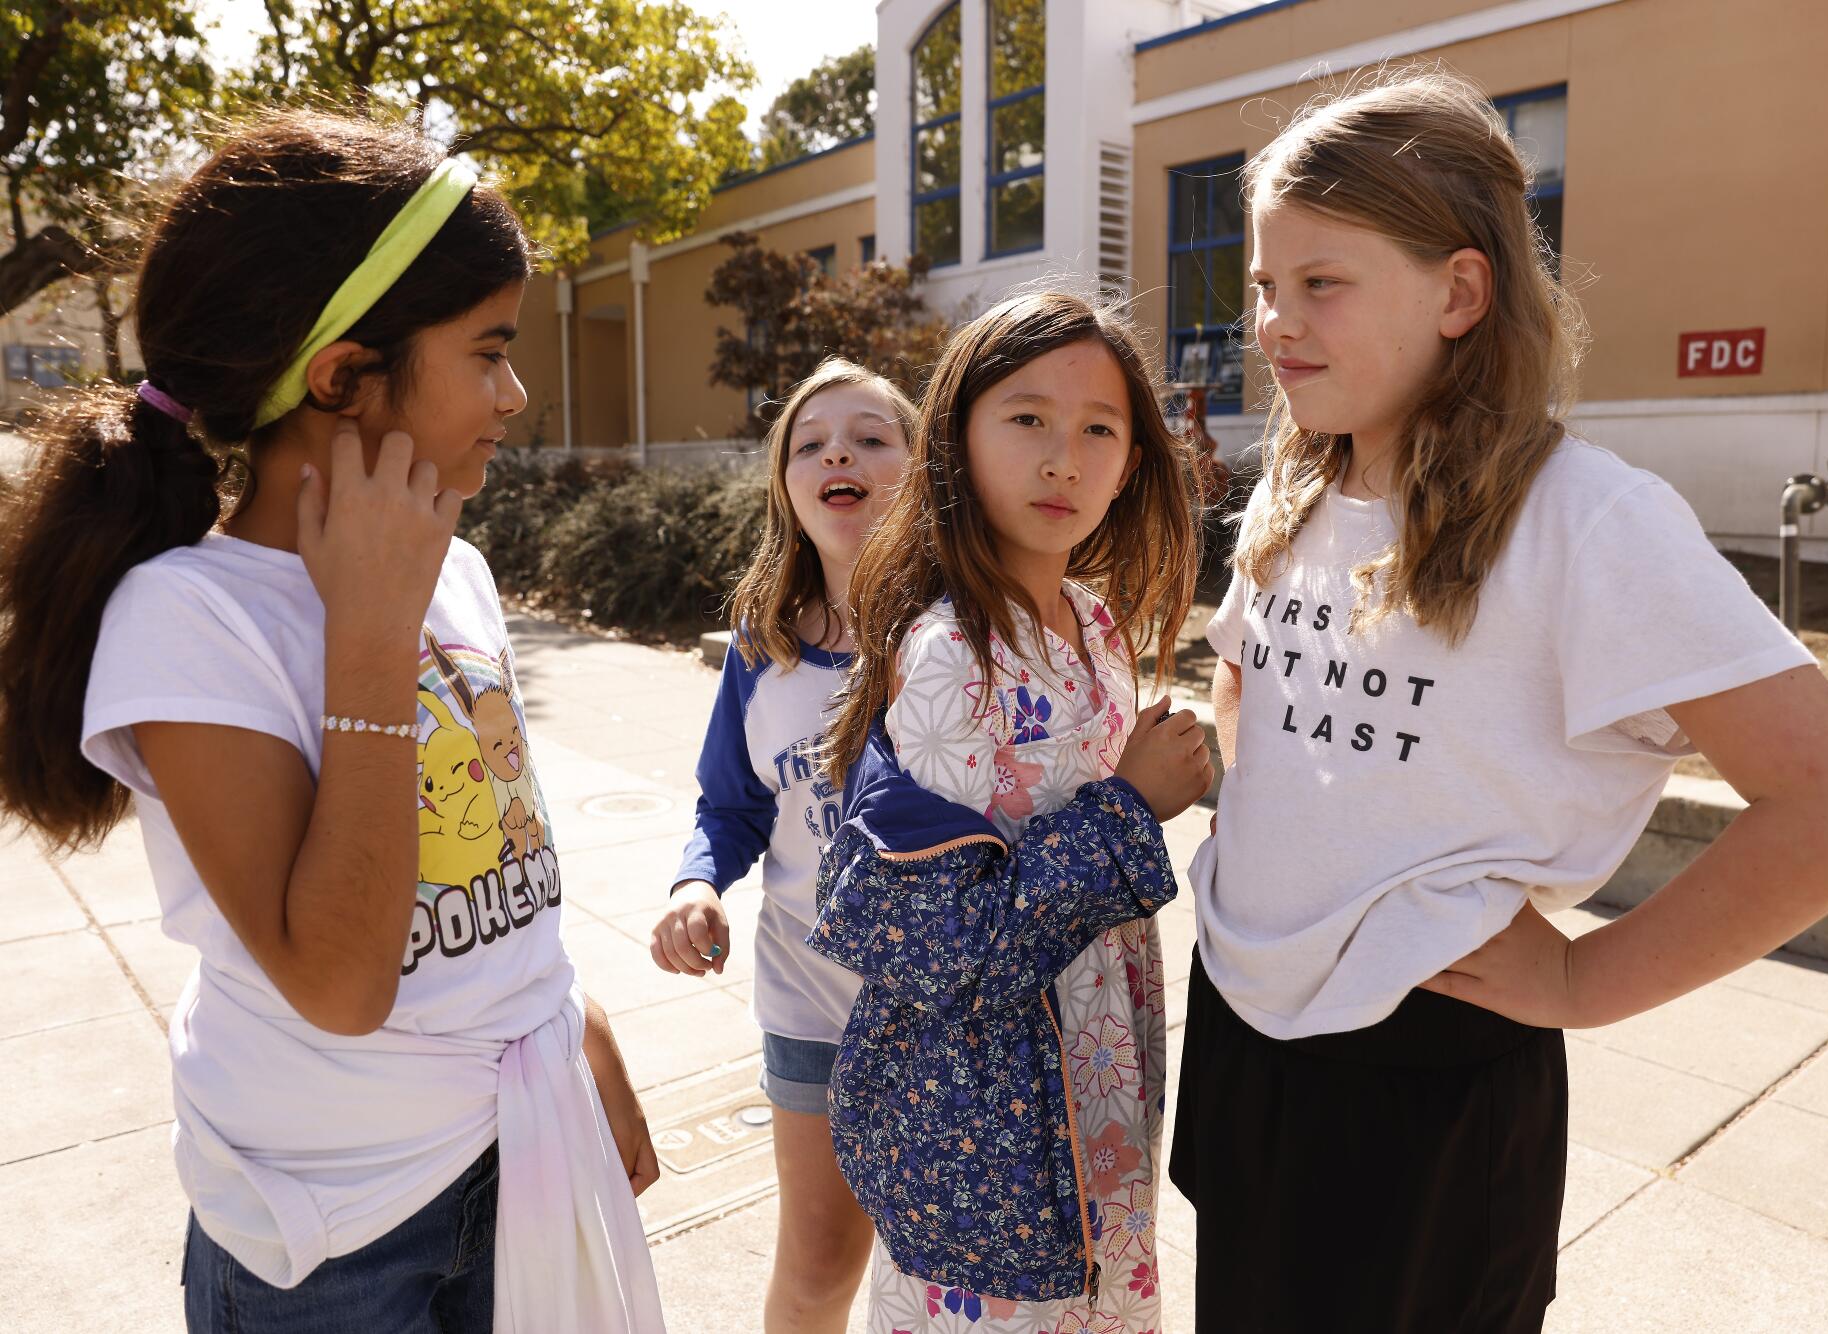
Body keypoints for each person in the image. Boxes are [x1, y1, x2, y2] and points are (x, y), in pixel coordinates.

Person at [1171, 65, 1828, 1332]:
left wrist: (1587, 982)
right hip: (1245, 1036)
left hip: (1421, 1080)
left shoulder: (1589, 519)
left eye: (1319, 284)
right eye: (1262, 287)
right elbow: (1248, 674)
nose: (1272, 324)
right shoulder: (1298, 486)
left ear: (1460, 289)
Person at [0, 110, 664, 1333]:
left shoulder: (451, 565)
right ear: (344, 376)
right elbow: (343, 982)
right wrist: (365, 642)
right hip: (335, 1237)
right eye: (488, 350)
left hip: (513, 1146)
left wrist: (571, 1020)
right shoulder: (188, 617)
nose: (515, 394)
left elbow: (501, 856)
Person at [813, 290, 1210, 1333]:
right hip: (990, 1124)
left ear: (1130, 461)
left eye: (1097, 429)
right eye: (1026, 418)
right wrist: (1129, 805)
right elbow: (941, 944)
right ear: (956, 437)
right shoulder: (951, 651)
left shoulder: (1091, 621)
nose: (1061, 458)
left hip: (1092, 1090)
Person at [649, 357, 917, 1334]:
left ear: (923, 469)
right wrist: (696, 882)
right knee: (816, 1266)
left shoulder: (964, 635)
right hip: (811, 1006)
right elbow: (727, 806)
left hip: (958, 1011)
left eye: (869, 435)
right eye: (810, 443)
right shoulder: (761, 650)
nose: (836, 449)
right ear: (789, 485)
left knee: (945, 1270)